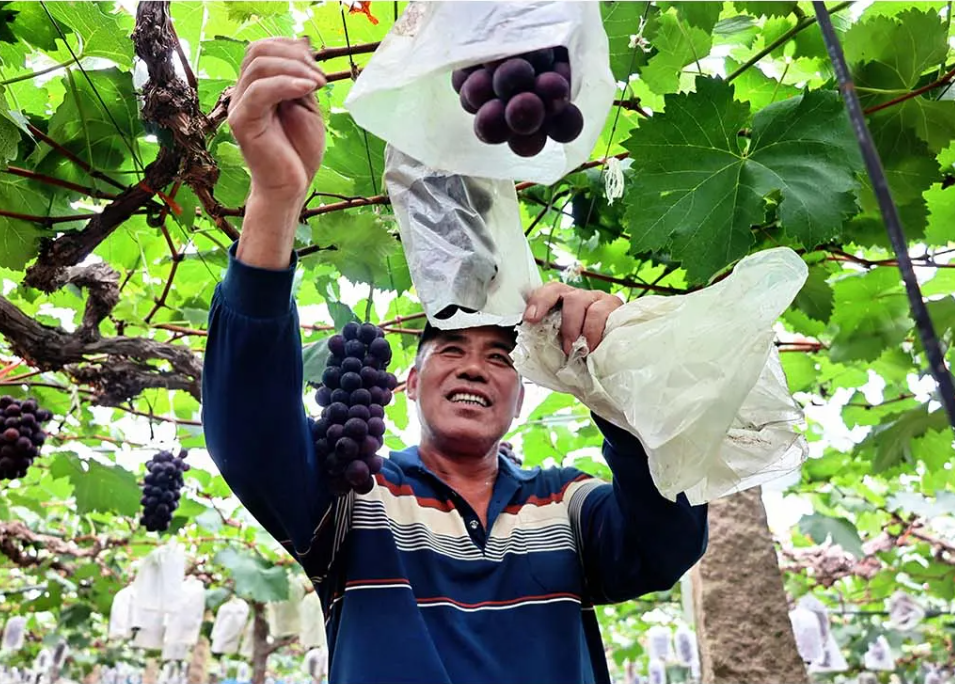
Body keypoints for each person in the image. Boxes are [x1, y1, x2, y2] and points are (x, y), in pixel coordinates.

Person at [203, 37, 709, 684]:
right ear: (410, 382)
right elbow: (248, 430)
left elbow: (667, 541)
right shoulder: (355, 497)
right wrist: (276, 197)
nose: (474, 367)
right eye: (451, 349)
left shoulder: (565, 504)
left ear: (522, 394)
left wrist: (615, 377)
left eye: (500, 356)